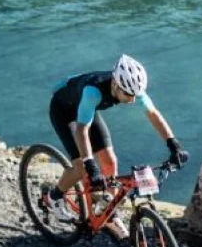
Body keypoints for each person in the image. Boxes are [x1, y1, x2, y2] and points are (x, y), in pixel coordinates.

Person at [41, 54, 187, 236]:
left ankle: (108, 212)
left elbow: (153, 114)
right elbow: (81, 131)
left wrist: (174, 145)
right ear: (116, 85)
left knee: (110, 161)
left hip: (87, 109)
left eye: (135, 95)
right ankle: (53, 197)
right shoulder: (93, 91)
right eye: (128, 95)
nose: (133, 100)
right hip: (64, 110)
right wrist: (90, 164)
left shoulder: (132, 89)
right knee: (81, 169)